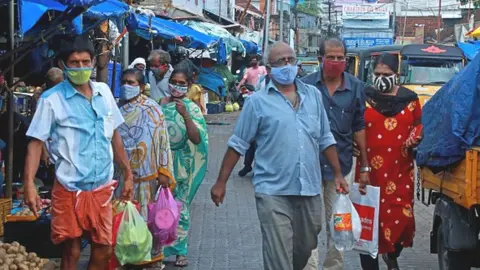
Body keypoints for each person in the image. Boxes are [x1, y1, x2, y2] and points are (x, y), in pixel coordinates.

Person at [210, 41, 349, 270]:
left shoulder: (313, 96)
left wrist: (338, 174)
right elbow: (238, 144)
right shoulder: (257, 102)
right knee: (278, 256)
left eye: (290, 60)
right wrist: (221, 182)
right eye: (280, 61)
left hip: (309, 189)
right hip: (272, 191)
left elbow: (326, 138)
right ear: (269, 67)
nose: (287, 65)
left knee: (306, 246)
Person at [23, 35, 133, 270]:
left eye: (85, 61)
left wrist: (128, 173)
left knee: (103, 248)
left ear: (93, 61)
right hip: (69, 187)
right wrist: (29, 184)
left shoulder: (104, 92)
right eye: (74, 63)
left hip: (102, 186)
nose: (81, 67)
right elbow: (35, 142)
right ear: (63, 65)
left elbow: (114, 135)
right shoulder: (51, 100)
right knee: (71, 249)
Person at [301, 36, 370, 270]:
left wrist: (365, 166)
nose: (336, 61)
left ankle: (333, 267)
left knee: (339, 221)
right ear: (320, 59)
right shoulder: (306, 86)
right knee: (310, 222)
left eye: (341, 58)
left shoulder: (356, 87)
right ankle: (309, 266)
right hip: (308, 165)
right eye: (331, 57)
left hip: (342, 166)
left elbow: (359, 126)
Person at [357, 53, 421, 270]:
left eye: (387, 74)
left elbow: (419, 125)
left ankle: (392, 254)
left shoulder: (410, 100)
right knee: (368, 223)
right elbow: (352, 126)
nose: (381, 78)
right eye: (377, 74)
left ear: (397, 74)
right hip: (368, 171)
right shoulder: (364, 97)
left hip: (400, 172)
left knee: (401, 221)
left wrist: (416, 136)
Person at [115, 68, 175, 266]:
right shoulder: (116, 110)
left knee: (148, 219)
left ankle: (151, 260)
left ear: (141, 87)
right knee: (124, 221)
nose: (127, 86)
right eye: (124, 81)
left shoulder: (152, 109)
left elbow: (162, 141)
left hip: (148, 177)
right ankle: (127, 257)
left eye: (131, 83)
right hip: (123, 177)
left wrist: (164, 171)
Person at [160, 67, 208, 267]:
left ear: (189, 86)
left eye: (181, 83)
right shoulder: (160, 104)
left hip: (182, 164)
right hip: (161, 163)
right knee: (159, 207)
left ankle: (180, 251)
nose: (176, 86)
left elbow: (197, 139)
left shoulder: (192, 108)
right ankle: (158, 250)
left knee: (180, 208)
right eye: (173, 81)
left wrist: (185, 115)